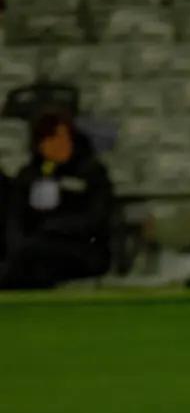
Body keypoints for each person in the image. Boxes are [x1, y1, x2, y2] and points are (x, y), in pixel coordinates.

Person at [0, 113, 112, 289]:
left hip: (81, 248)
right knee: (27, 259)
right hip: (34, 248)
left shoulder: (91, 172)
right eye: (54, 139)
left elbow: (97, 218)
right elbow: (15, 218)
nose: (62, 144)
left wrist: (53, 227)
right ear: (41, 144)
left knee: (32, 259)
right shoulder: (29, 176)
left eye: (65, 138)